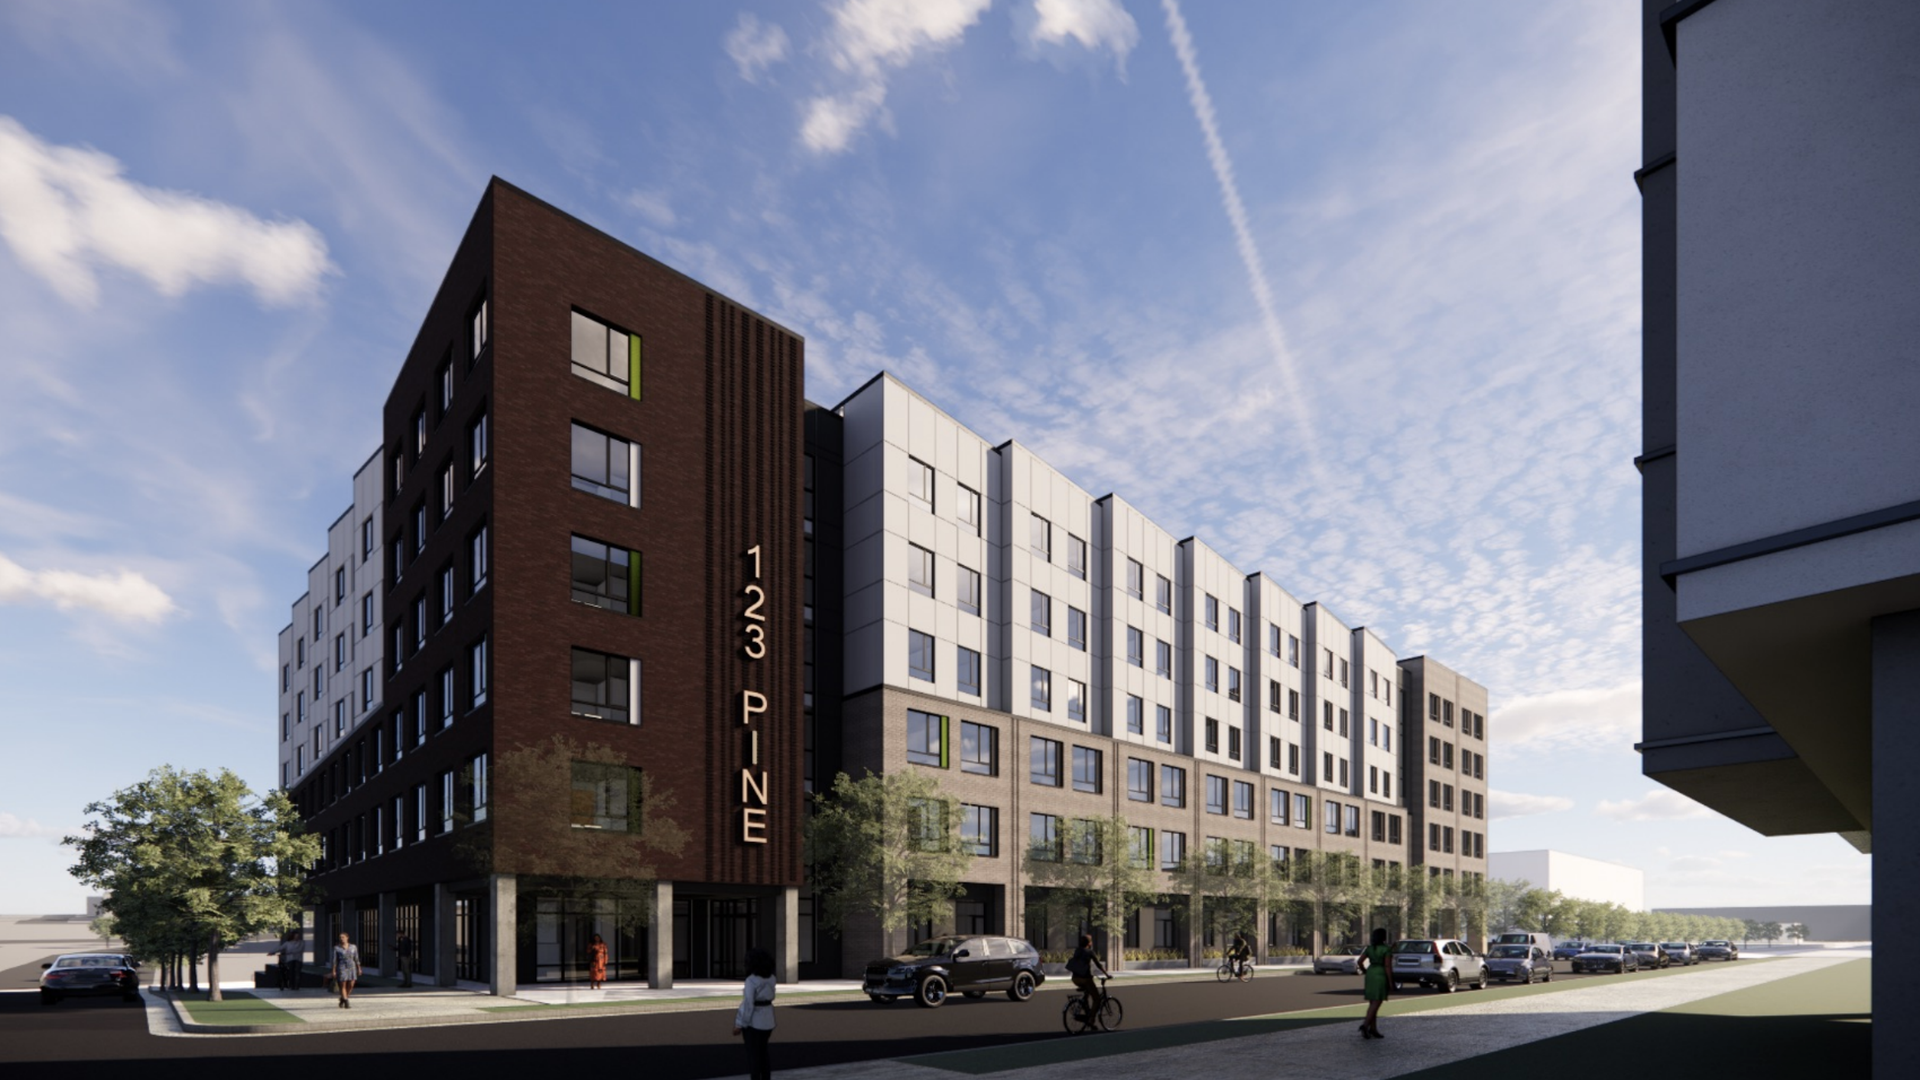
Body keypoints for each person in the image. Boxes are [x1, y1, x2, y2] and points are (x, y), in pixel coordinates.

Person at [731, 947, 776, 1080]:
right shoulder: (772, 978)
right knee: (764, 1053)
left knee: (754, 1056)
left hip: (754, 1023)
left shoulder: (751, 980)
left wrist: (739, 1024)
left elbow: (748, 1005)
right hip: (768, 1020)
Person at [1066, 933, 1109, 1024]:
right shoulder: (1090, 952)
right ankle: (1091, 1019)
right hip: (1085, 979)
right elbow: (1098, 964)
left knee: (1088, 994)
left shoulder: (1077, 950)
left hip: (1075, 978)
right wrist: (1107, 974)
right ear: (1089, 943)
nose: (1092, 942)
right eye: (1091, 941)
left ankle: (1087, 1010)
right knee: (1097, 999)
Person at [1357, 927, 1392, 1039]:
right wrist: (1391, 981)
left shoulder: (1369, 948)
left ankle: (1373, 1029)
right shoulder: (1386, 949)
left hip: (1370, 973)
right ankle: (1365, 1025)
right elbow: (1387, 966)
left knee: (1372, 1003)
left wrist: (1364, 970)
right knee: (1377, 1003)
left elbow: (1359, 961)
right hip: (1380, 974)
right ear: (1383, 937)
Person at [330, 931, 361, 1009]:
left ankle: (343, 998)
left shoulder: (353, 947)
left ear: (347, 937)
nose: (342, 939)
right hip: (342, 966)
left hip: (352, 966)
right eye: (340, 937)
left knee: (351, 984)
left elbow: (356, 958)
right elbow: (334, 960)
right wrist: (333, 971)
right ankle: (347, 1001)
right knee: (343, 985)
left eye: (343, 937)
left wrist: (359, 968)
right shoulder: (337, 948)